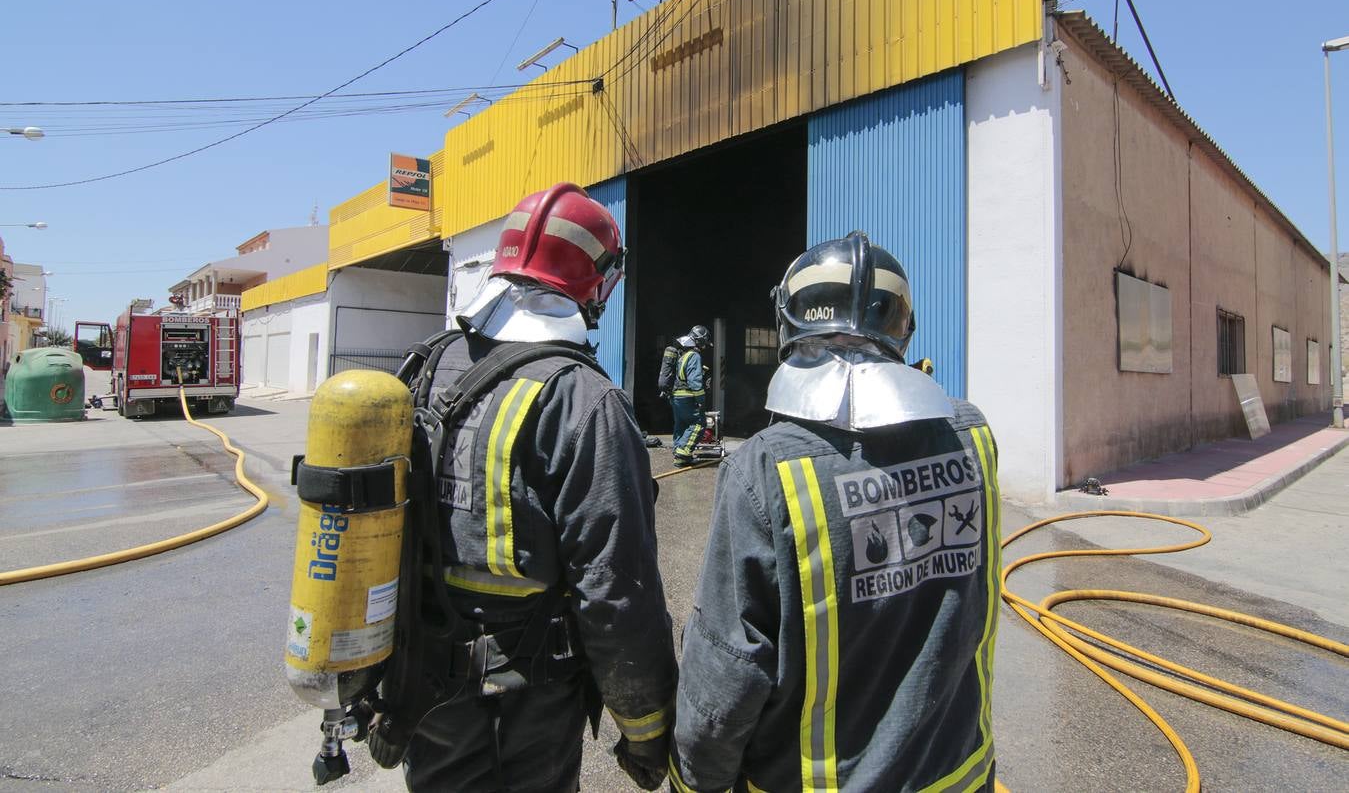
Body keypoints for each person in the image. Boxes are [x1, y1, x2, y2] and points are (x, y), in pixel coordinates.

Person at [669, 231, 1001, 792]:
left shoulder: (769, 466)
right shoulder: (972, 437)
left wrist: (693, 779)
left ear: (790, 325)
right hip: (961, 777)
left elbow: (730, 667)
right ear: (903, 329)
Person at [390, 183, 677, 791]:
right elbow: (616, 589)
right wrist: (646, 726)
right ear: (594, 281)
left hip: (420, 685)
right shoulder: (582, 399)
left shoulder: (427, 365)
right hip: (524, 707)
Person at [669, 325, 710, 465]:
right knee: (698, 423)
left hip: (675, 396)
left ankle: (678, 450)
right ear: (700, 341)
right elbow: (694, 381)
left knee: (681, 424)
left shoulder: (682, 355)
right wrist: (701, 400)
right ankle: (683, 454)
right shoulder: (694, 355)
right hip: (687, 396)